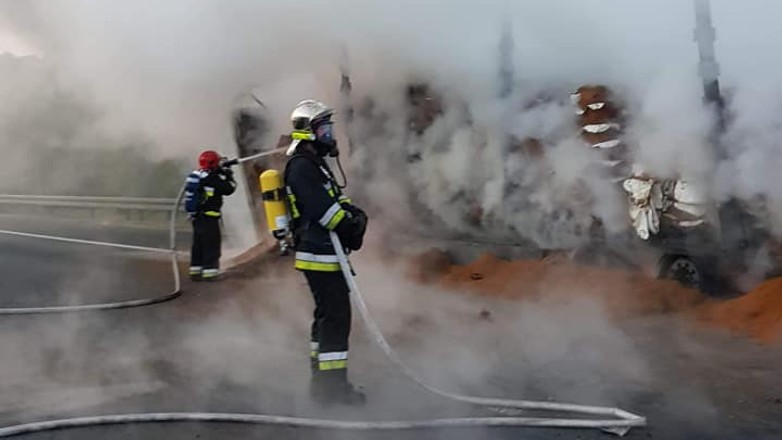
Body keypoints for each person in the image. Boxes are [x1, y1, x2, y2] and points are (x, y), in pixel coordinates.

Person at [283, 99, 369, 405]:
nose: (330, 133)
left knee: (326, 318)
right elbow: (325, 212)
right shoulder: (302, 167)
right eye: (324, 128)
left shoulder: (314, 164)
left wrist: (354, 213)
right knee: (335, 321)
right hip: (319, 255)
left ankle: (322, 385)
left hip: (325, 254)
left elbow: (335, 199)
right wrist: (351, 227)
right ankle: (332, 391)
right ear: (309, 131)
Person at [184, 149, 237, 281]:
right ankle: (210, 273)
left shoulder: (197, 175)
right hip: (209, 217)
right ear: (213, 163)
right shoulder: (211, 178)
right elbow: (229, 189)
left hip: (197, 217)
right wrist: (228, 174)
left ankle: (195, 271)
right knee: (212, 245)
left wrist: (219, 172)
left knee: (198, 245)